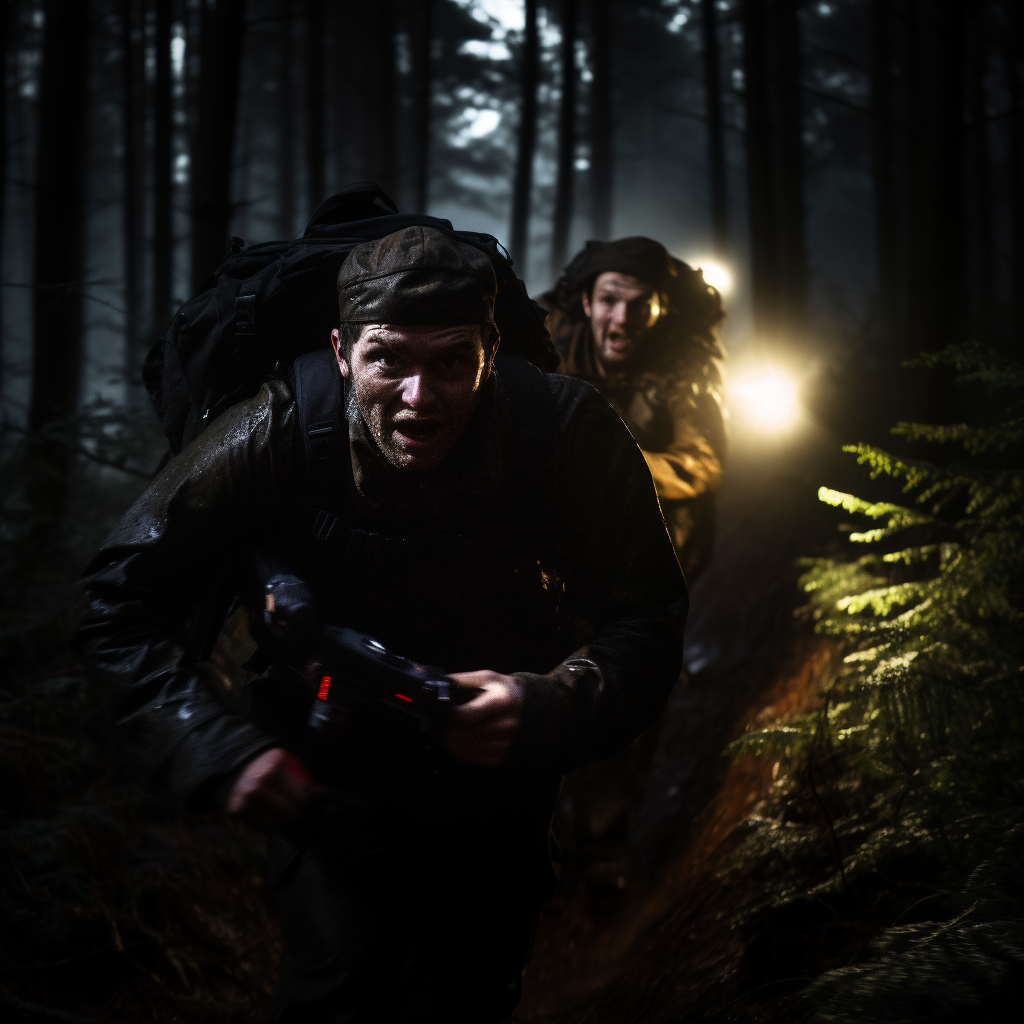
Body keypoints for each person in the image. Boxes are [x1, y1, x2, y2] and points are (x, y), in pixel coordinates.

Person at [78, 225, 687, 1023]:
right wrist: (218, 750)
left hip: (498, 796)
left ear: (492, 351)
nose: (417, 396)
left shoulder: (567, 432)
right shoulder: (278, 428)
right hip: (329, 786)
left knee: (469, 993)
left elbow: (649, 615)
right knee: (338, 993)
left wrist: (548, 706)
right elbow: (119, 601)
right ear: (341, 351)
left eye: (449, 362)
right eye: (387, 359)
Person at [541, 237, 725, 582]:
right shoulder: (549, 355)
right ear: (586, 302)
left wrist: (625, 465)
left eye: (640, 304)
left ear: (662, 308)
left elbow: (703, 464)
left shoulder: (683, 370)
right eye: (609, 301)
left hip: (653, 527)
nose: (622, 319)